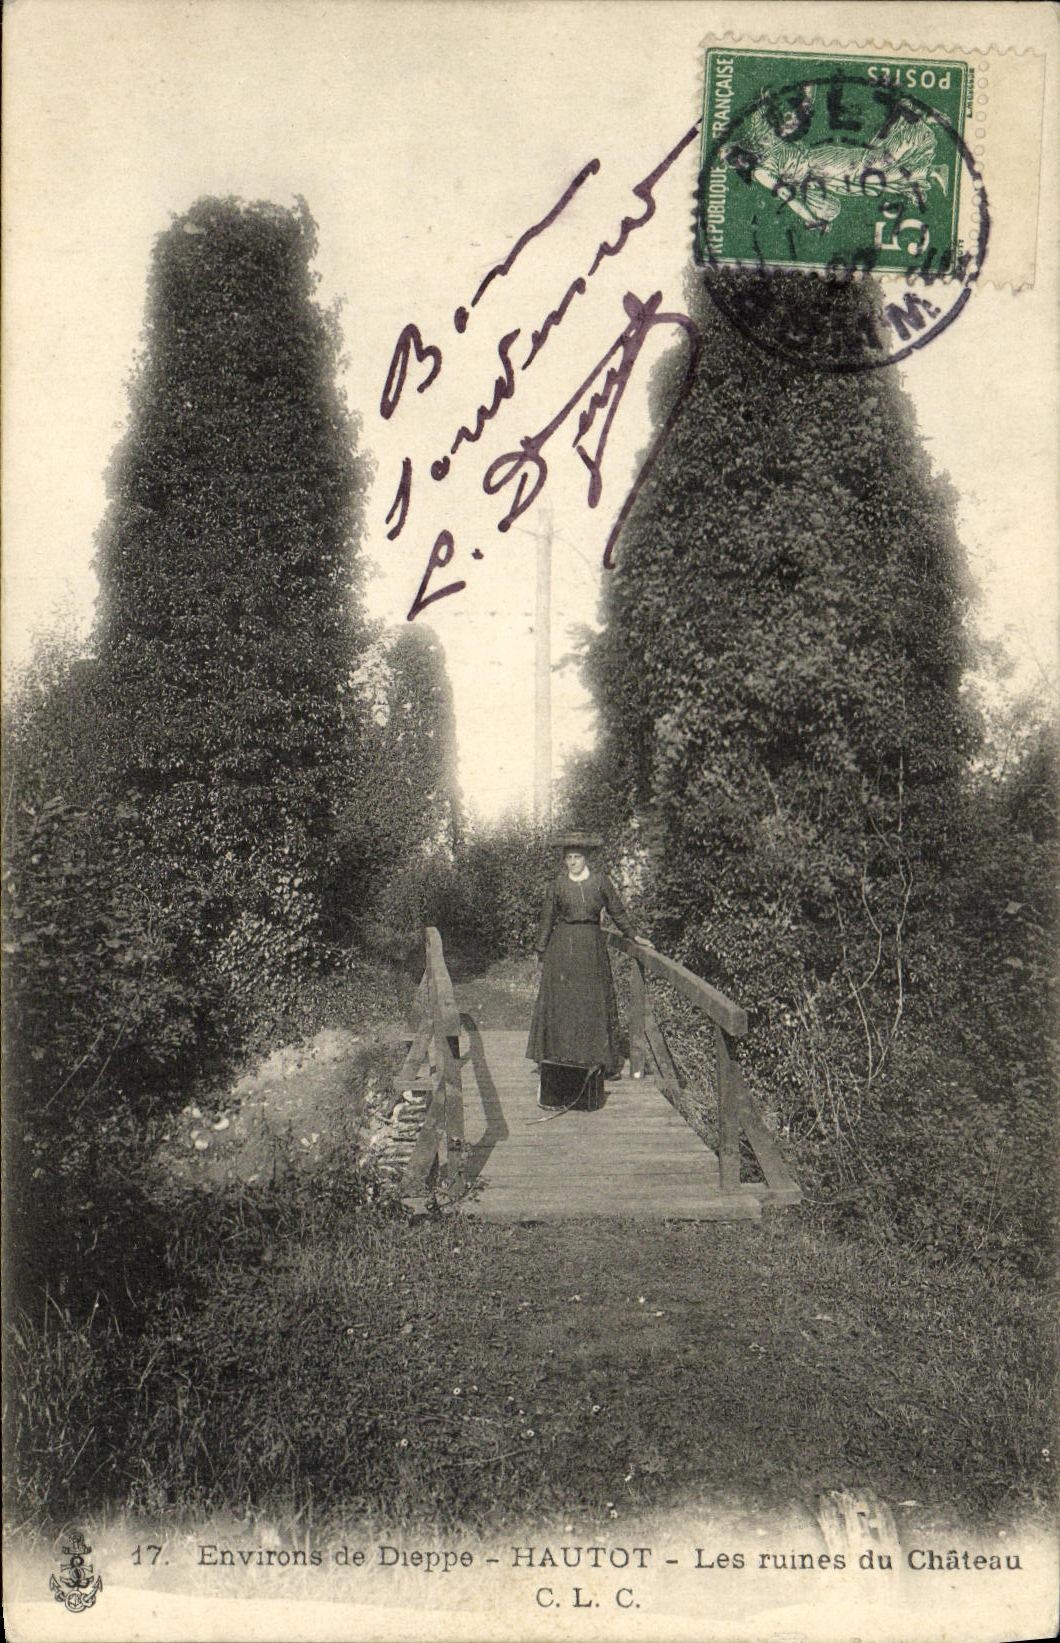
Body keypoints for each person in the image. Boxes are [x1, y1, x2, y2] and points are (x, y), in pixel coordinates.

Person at [526, 831, 650, 1107]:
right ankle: (562, 1060)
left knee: (592, 1002)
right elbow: (547, 918)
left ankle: (598, 1060)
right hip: (562, 949)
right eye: (568, 858)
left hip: (591, 947)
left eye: (577, 857)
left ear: (586, 858)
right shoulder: (557, 885)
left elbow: (617, 911)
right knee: (566, 1004)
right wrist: (541, 949)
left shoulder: (600, 882)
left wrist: (633, 935)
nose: (572, 863)